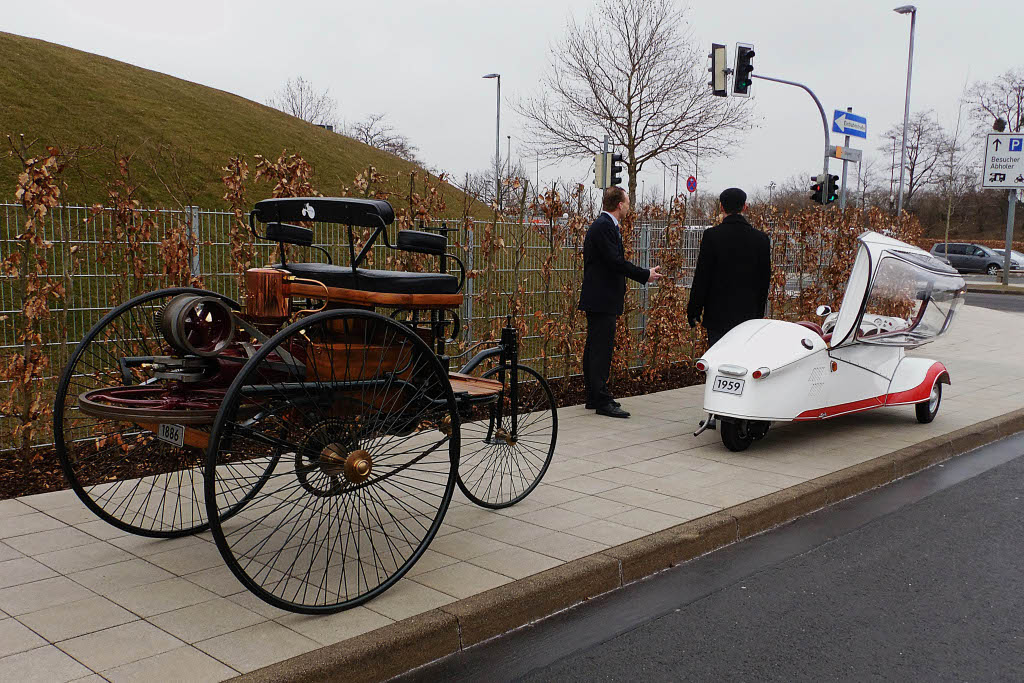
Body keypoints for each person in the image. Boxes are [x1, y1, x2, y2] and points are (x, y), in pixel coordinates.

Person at [578, 186, 662, 418]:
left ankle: (594, 396)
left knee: (594, 348)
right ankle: (601, 400)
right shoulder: (605, 226)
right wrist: (644, 274)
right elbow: (615, 262)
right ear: (619, 205)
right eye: (627, 202)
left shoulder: (604, 225)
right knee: (600, 350)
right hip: (602, 298)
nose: (629, 207)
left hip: (599, 297)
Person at [687, 187, 771, 349]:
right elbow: (764, 280)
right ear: (745, 207)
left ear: (721, 207)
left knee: (719, 357)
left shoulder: (712, 236)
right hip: (748, 315)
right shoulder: (761, 239)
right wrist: (759, 313)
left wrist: (694, 309)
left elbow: (703, 276)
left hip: (718, 315)